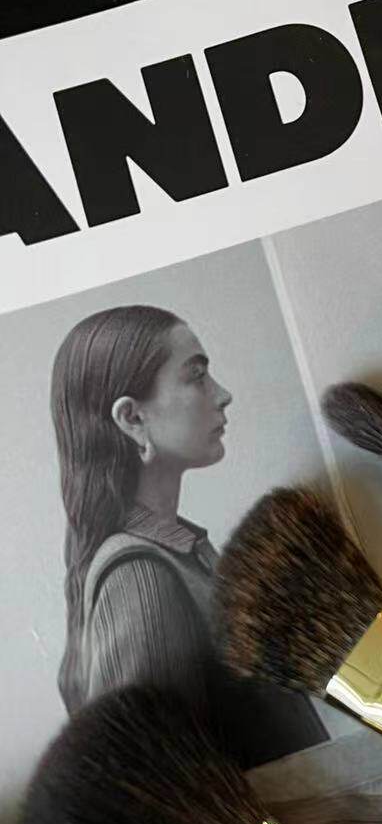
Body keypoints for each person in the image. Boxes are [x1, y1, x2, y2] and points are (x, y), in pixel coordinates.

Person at [51, 304, 327, 764]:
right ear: (132, 418)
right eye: (196, 376)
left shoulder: (181, 555)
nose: (223, 395)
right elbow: (154, 783)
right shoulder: (139, 575)